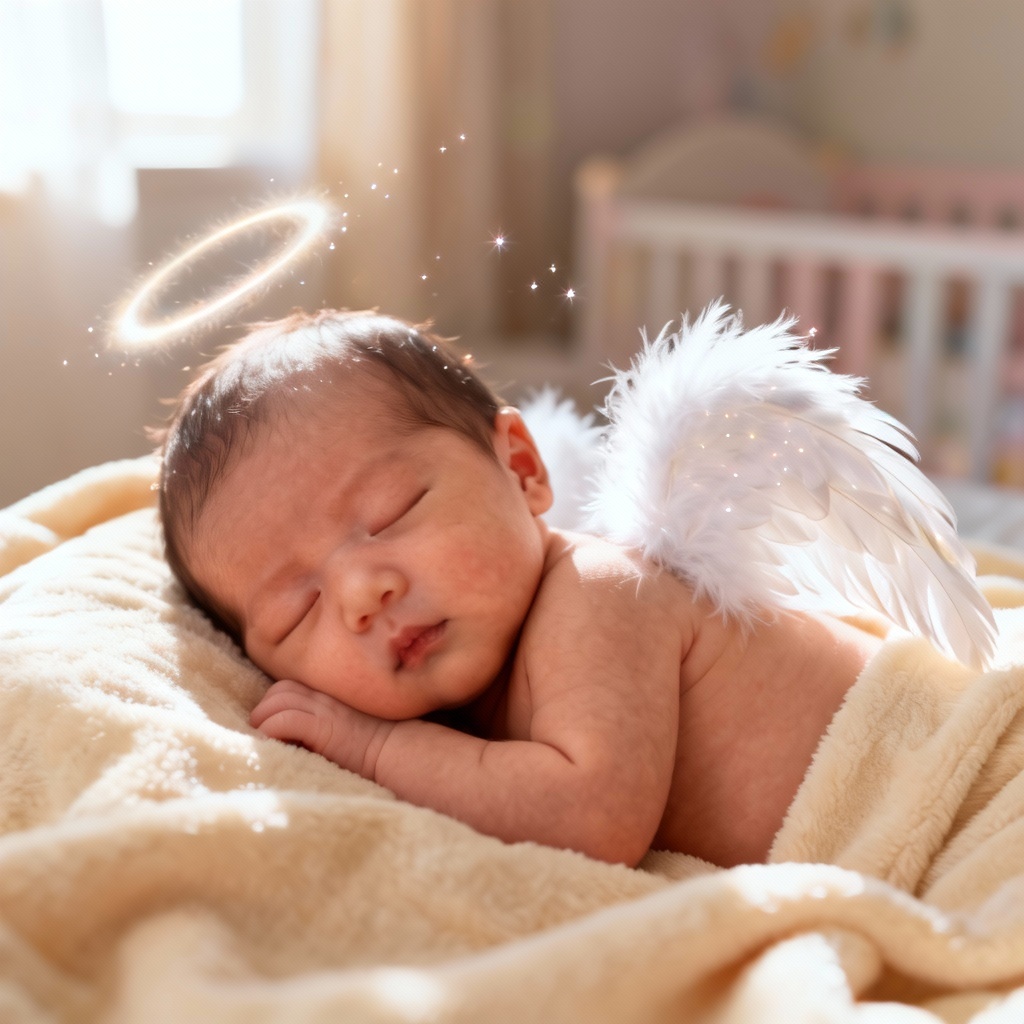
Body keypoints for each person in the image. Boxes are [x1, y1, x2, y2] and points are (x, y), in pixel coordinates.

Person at [155, 308, 884, 869]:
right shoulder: (466, 705)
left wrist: (373, 749)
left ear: (523, 469)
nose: (360, 595)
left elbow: (592, 816)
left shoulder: (599, 594)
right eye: (298, 610)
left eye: (392, 513)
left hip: (924, 781)